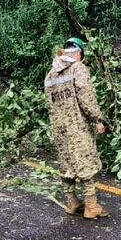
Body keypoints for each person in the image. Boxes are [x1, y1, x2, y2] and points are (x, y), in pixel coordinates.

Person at [43, 37, 110, 220]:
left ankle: (72, 202)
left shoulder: (50, 75)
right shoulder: (78, 68)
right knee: (85, 162)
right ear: (79, 53)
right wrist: (98, 119)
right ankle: (91, 206)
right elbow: (85, 98)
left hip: (59, 128)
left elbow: (49, 104)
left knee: (66, 163)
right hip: (77, 127)